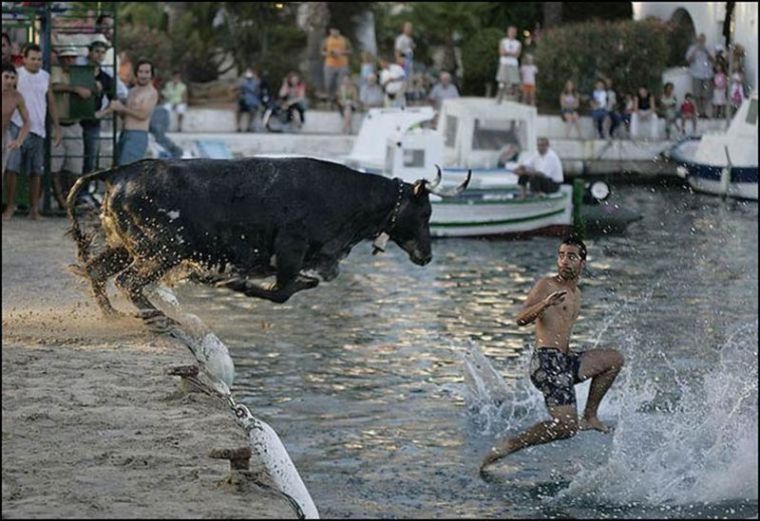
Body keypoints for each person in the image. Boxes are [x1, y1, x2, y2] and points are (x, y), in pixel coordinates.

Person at [480, 235, 625, 473]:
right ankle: (509, 445)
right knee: (566, 428)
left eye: (571, 256)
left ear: (582, 262)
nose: (564, 261)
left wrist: (570, 354)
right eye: (561, 255)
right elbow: (520, 319)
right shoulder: (546, 285)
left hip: (564, 361)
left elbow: (562, 331)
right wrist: (544, 304)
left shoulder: (577, 294)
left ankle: (590, 415)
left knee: (614, 360)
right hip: (546, 362)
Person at [4, 44, 62, 220]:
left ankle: (34, 209)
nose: (36, 62)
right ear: (24, 58)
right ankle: (10, 207)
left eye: (39, 59)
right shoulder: (17, 74)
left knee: (36, 171)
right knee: (12, 168)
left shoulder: (45, 76)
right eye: (33, 58)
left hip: (38, 128)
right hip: (16, 125)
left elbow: (50, 102)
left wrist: (57, 127)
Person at [50, 46, 91, 210]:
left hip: (75, 124)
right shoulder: (55, 72)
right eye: (65, 57)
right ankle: (61, 201)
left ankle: (69, 200)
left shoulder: (81, 74)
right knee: (55, 166)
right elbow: (53, 87)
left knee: (75, 167)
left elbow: (93, 87)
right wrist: (74, 89)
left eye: (72, 57)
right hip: (57, 124)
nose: (69, 60)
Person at [107, 59, 158, 165]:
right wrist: (116, 108)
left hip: (137, 135)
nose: (143, 75)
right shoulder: (132, 91)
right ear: (136, 73)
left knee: (127, 170)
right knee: (117, 167)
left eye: (147, 72)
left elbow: (143, 115)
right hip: (124, 134)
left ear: (151, 74)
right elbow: (125, 115)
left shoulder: (151, 93)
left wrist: (122, 108)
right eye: (140, 72)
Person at [2, 61, 30, 180]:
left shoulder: (17, 97)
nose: (9, 81)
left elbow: (27, 122)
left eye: (12, 78)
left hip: (4, 137)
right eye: (6, 77)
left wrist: (19, 140)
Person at [685, 34, 714, 118]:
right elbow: (688, 60)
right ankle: (699, 112)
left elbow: (714, 59)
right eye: (699, 40)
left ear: (705, 40)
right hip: (696, 74)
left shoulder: (709, 47)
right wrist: (695, 50)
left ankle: (704, 112)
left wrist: (706, 51)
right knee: (696, 94)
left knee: (706, 95)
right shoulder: (692, 48)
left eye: (703, 40)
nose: (701, 41)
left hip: (707, 75)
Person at [321, 27, 351, 103]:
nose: (334, 32)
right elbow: (322, 52)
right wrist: (330, 53)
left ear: (338, 31)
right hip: (330, 64)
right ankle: (330, 100)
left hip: (342, 65)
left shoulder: (344, 39)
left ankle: (340, 100)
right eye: (332, 30)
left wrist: (342, 52)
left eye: (336, 30)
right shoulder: (327, 40)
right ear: (330, 31)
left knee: (341, 84)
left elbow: (350, 51)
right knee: (328, 83)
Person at [496, 26, 521, 103]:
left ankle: (513, 99)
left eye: (514, 32)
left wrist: (507, 53)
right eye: (511, 32)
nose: (512, 33)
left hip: (513, 64)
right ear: (508, 32)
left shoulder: (518, 43)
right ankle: (499, 97)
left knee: (514, 82)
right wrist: (511, 53)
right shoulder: (503, 41)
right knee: (502, 81)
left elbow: (517, 54)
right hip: (504, 63)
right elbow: (502, 53)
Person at [234, 68, 261, 133]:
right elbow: (236, 88)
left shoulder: (256, 82)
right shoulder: (242, 81)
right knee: (238, 111)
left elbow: (258, 91)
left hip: (252, 103)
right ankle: (238, 127)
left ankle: (249, 126)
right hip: (243, 102)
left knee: (253, 111)